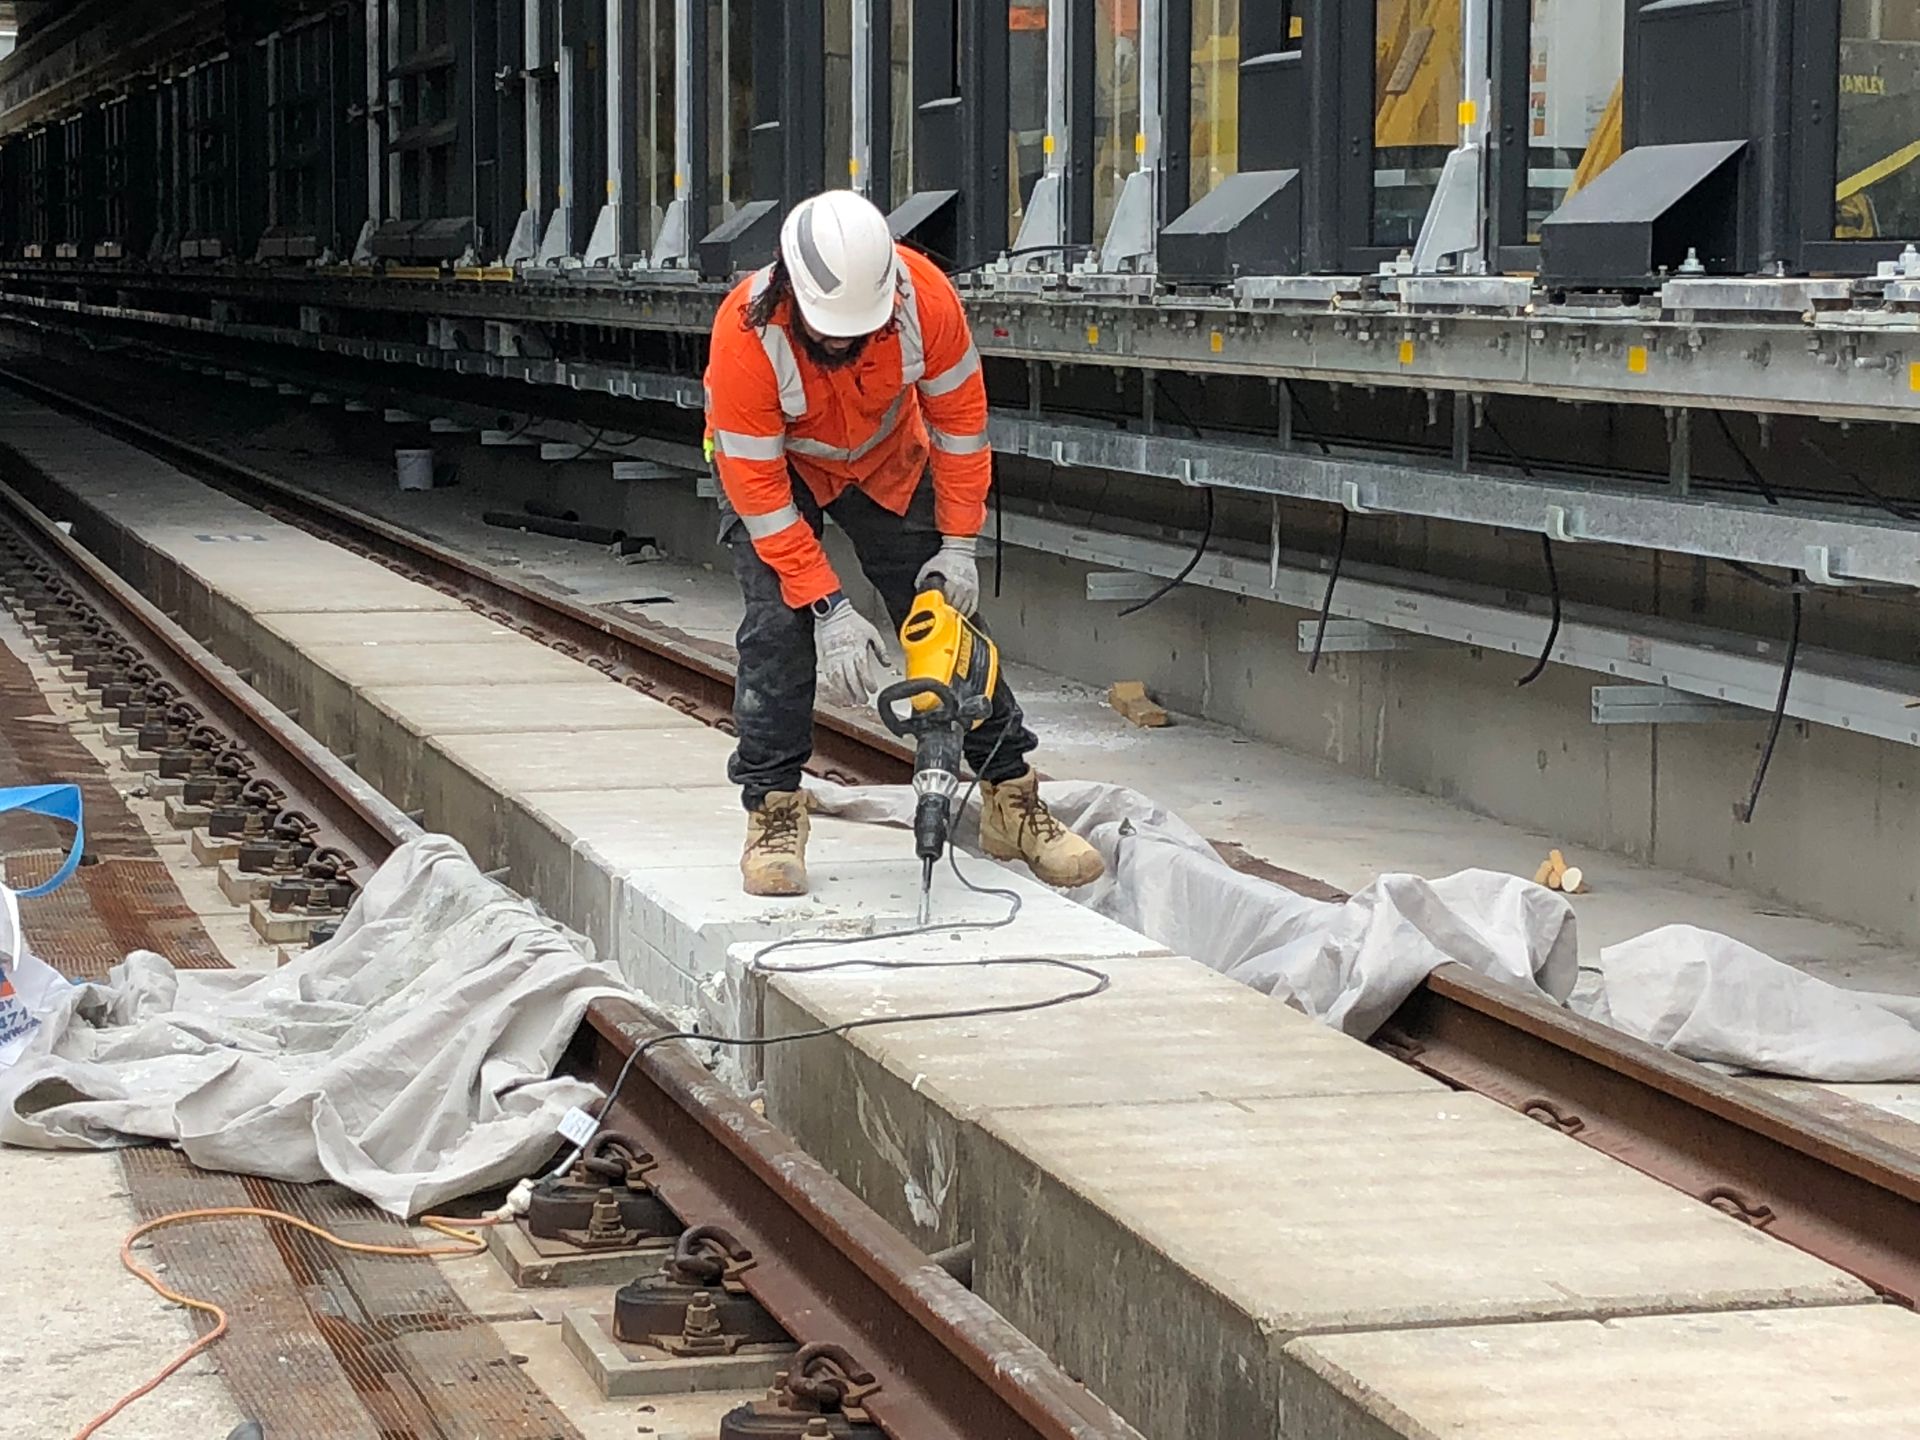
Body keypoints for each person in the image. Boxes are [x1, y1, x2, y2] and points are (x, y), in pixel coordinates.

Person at [702, 189, 1106, 898]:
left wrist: (957, 544)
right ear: (791, 292)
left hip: (887, 461)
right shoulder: (745, 335)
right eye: (830, 332)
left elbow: (961, 430)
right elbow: (763, 501)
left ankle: (1011, 798)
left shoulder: (926, 302)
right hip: (780, 474)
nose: (843, 342)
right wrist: (827, 606)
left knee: (947, 628)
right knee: (777, 628)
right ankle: (773, 811)